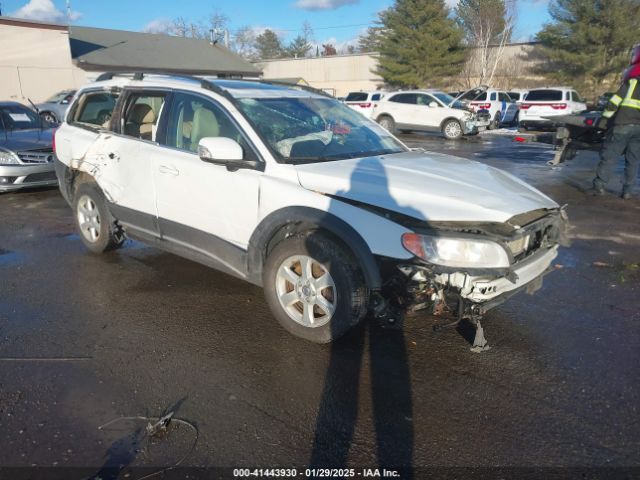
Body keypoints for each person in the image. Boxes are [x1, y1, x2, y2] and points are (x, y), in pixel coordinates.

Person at [592, 44, 640, 199]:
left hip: (623, 124)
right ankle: (626, 191)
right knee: (633, 161)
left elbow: (614, 101)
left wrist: (605, 118)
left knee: (610, 157)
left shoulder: (632, 81)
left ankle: (599, 186)